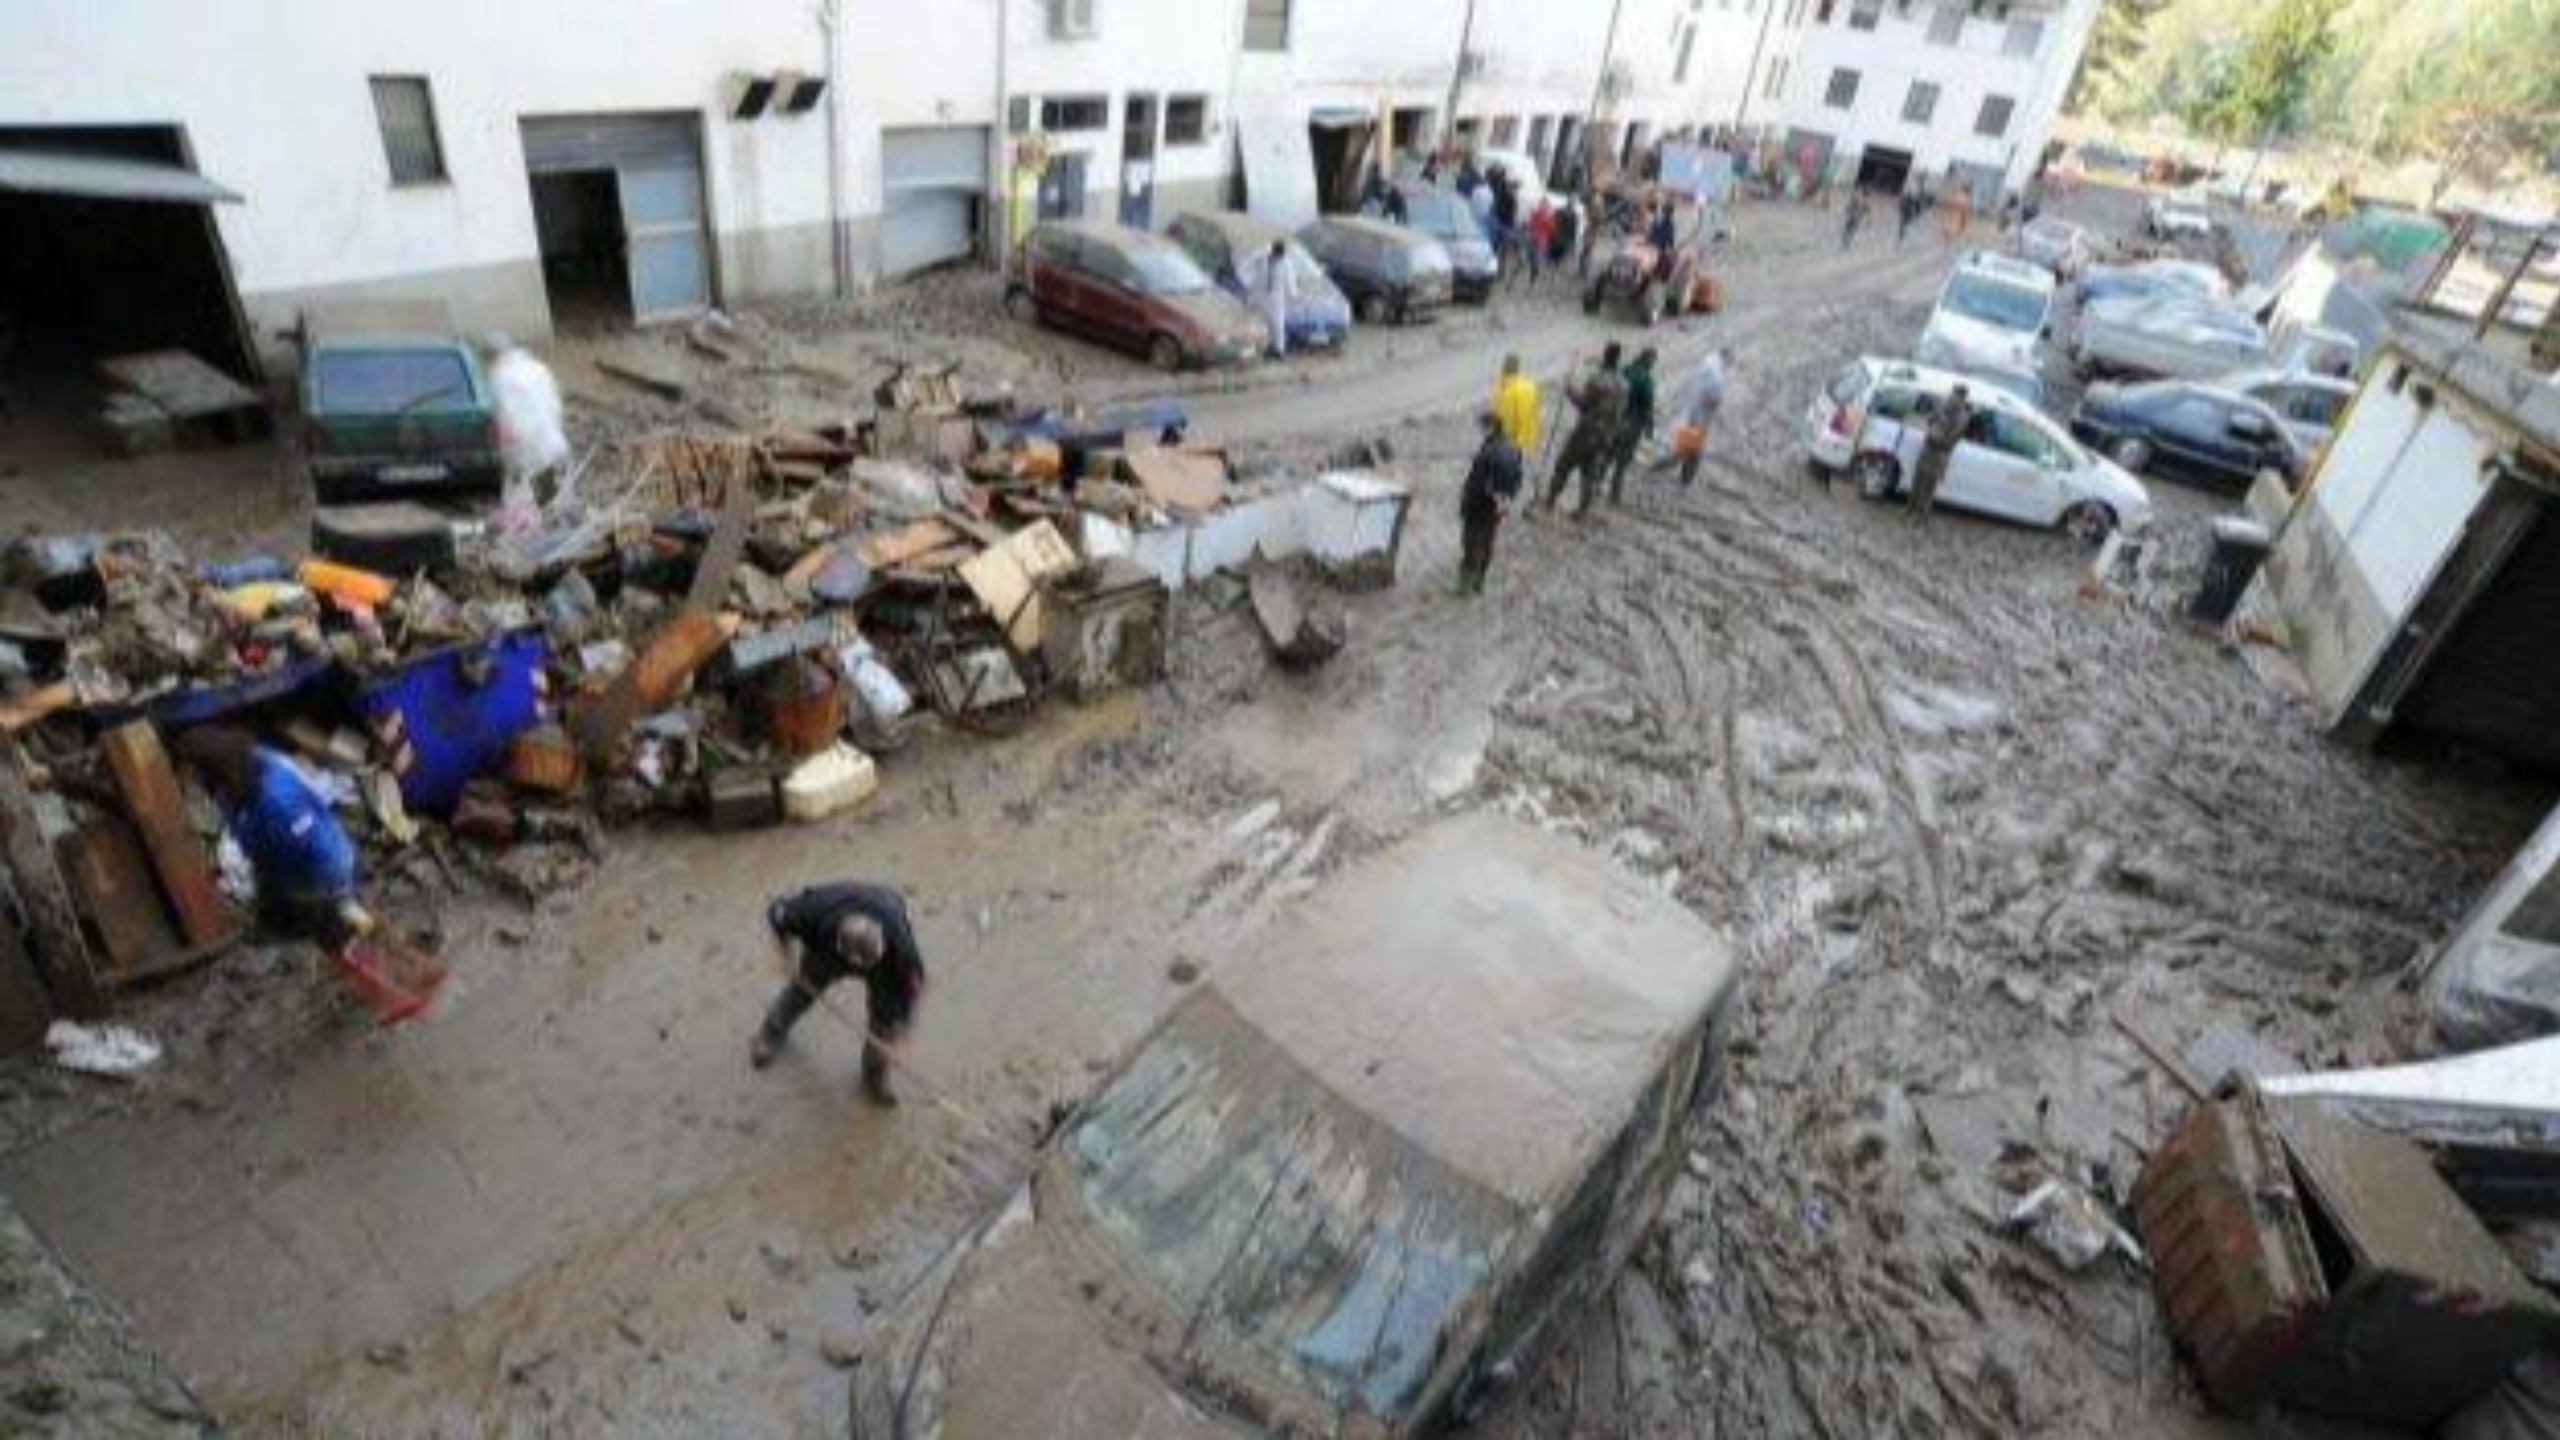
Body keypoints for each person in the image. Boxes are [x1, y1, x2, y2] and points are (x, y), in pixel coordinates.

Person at [175, 726, 368, 948]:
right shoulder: (241, 771)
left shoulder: (276, 799)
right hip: (283, 863)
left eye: (194, 772)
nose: (191, 779)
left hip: (320, 870)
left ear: (211, 767)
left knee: (323, 927)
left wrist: (338, 893)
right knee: (274, 906)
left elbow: (321, 851)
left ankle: (335, 931)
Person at [751, 880, 928, 1106]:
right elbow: (776, 914)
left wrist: (905, 1032)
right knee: (804, 987)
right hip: (826, 950)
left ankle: (874, 1073)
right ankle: (771, 1032)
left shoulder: (900, 946)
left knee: (886, 1020)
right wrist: (785, 954)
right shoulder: (811, 911)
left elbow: (915, 988)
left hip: (885, 961)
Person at [1543, 342, 1629, 518]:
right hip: (1606, 436)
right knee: (1590, 473)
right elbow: (1621, 413)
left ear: (1605, 357)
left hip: (1585, 432)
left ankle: (1550, 500)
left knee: (1564, 465)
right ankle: (1582, 510)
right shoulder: (1624, 385)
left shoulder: (1597, 381)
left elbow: (1583, 404)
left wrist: (1569, 389)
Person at [1455, 410, 1524, 596]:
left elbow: (1475, 485)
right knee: (1487, 543)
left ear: (1491, 428)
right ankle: (1479, 584)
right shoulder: (1514, 447)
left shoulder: (1487, 453)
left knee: (1470, 545)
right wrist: (1505, 500)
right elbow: (1518, 478)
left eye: (1482, 427)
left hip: (1478, 507)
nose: (1480, 430)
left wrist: (1465, 505)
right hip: (1498, 508)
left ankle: (1463, 587)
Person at [1662, 348, 1730, 486]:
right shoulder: (1715, 375)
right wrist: (1716, 403)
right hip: (1699, 420)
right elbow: (1713, 398)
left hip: (1695, 416)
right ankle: (1682, 478)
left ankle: (1681, 476)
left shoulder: (1708, 367)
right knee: (1690, 452)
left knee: (1688, 450)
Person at [1911, 385, 1972, 523]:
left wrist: (1940, 431)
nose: (1953, 398)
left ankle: (1922, 517)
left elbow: (1954, 437)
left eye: (1956, 395)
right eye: (1952, 395)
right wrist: (1935, 424)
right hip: (1928, 447)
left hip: (1940, 453)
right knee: (1918, 480)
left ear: (1962, 397)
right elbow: (1930, 420)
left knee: (1929, 487)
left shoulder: (1962, 416)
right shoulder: (1943, 406)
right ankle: (1910, 509)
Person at [1609, 347, 1659, 501]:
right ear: (1649, 360)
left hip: (1616, 419)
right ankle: (1614, 495)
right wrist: (1649, 430)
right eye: (1653, 361)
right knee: (1622, 463)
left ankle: (1595, 484)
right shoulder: (1647, 381)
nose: (1653, 364)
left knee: (1607, 454)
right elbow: (1647, 408)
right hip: (1632, 424)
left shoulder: (1625, 370)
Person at [1252, 238, 1296, 359]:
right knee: (1263, 324)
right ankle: (1266, 347)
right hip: (1262, 296)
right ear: (1273, 250)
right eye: (1277, 253)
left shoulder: (1287, 263)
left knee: (1278, 324)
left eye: (1280, 254)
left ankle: (1279, 350)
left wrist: (1293, 295)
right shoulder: (1263, 258)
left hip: (1277, 297)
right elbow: (1254, 271)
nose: (1278, 256)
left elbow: (1290, 281)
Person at [1493, 353, 1541, 453]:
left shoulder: (1508, 390)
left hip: (1515, 442)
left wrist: (1517, 444)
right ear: (1518, 369)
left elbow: (1519, 418)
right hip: (1522, 439)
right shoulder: (1528, 386)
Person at [1524, 196, 1556, 286]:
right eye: (1543, 204)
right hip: (1537, 239)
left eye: (1544, 205)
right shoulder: (1542, 214)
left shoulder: (1540, 214)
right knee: (1534, 257)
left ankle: (1534, 273)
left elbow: (1551, 229)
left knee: (1535, 257)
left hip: (1538, 239)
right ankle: (1534, 272)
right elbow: (1551, 229)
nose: (1543, 206)